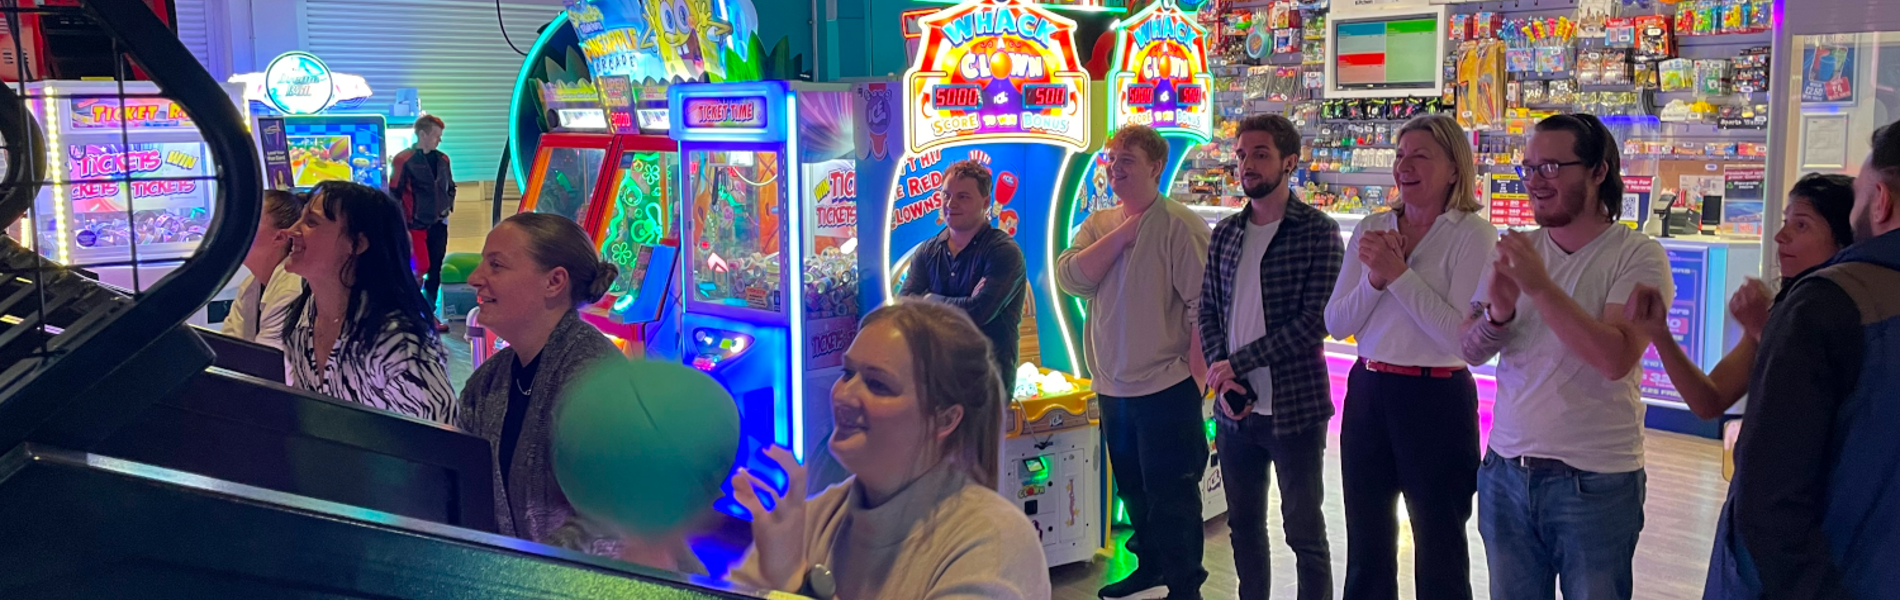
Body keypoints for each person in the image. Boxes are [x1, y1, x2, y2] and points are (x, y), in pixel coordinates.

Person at [1457, 114, 1670, 600]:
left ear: (1599, 170)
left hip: (1595, 481)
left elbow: (1614, 357)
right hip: (1506, 471)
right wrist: (1498, 316)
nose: (1534, 182)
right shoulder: (1515, 249)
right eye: (1528, 168)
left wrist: (1537, 285)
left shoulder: (1636, 255)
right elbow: (1469, 349)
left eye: (1551, 167)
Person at [728, 300, 1049, 600]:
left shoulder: (994, 541)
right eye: (848, 373)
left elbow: (787, 581)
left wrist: (795, 585)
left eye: (877, 384)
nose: (844, 395)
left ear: (945, 418)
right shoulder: (817, 515)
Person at [1707, 120, 1900, 599]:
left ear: (1880, 200)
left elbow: (1770, 496)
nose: (1780, 239)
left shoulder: (1830, 303)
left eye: (1801, 224)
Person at [1325, 113, 1493, 600]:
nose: (1406, 166)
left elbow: (1457, 338)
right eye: (1401, 156)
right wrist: (1375, 280)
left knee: (1440, 543)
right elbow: (1337, 323)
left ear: (1455, 169)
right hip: (1369, 391)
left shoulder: (1472, 235)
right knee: (1367, 541)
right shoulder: (1373, 227)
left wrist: (1396, 274)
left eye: (1421, 156)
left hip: (1437, 396)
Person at [1056, 124, 1212, 600]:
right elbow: (1071, 276)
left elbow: (1202, 309)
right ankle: (1151, 567)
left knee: (1173, 496)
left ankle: (1186, 585)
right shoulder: (1099, 224)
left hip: (1166, 386)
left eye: (1128, 160)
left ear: (1156, 167)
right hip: (1112, 385)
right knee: (1134, 491)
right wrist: (1125, 231)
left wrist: (1197, 379)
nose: (1115, 168)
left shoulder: (1181, 225)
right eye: (1112, 159)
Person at [458, 212, 662, 559]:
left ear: (554, 282)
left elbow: (614, 520)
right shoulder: (488, 381)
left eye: (496, 265)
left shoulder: (593, 379)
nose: (475, 278)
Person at [1201, 114, 1341, 600]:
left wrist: (1238, 362)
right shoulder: (1226, 233)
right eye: (1241, 155)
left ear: (1290, 162)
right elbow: (1208, 312)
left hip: (1296, 409)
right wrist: (1224, 372)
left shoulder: (1317, 231)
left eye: (1260, 153)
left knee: (1303, 530)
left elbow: (1315, 321)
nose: (1247, 164)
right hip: (1235, 410)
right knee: (1243, 526)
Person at [1627, 173, 1857, 419]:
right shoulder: (1782, 307)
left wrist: (1762, 330)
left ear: (1844, 239)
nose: (1780, 236)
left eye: (1801, 225)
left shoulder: (1857, 312)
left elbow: (1810, 398)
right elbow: (1709, 400)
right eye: (1785, 221)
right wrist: (1660, 334)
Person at [282, 180, 456, 424]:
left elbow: (442, 441)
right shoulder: (302, 318)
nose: (292, 230)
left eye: (311, 222)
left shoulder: (397, 341)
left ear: (357, 244)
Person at [899, 159, 1028, 394]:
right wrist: (961, 304)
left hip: (986, 388)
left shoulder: (1004, 252)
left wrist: (928, 301)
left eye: (963, 196)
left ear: (986, 202)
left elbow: (979, 312)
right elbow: (904, 305)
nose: (951, 204)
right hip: (936, 383)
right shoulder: (927, 251)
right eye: (946, 195)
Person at [221, 189, 306, 352]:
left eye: (247, 221)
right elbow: (228, 349)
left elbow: (266, 363)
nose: (234, 228)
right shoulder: (250, 285)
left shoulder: (293, 287)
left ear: (280, 237)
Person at [391, 114, 455, 331]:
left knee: (435, 269)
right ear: (423, 134)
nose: (439, 140)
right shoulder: (404, 160)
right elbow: (395, 193)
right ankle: (410, 311)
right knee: (418, 269)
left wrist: (448, 207)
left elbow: (450, 186)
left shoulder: (443, 159)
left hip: (439, 224)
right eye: (436, 136)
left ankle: (428, 314)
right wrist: (402, 225)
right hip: (415, 226)